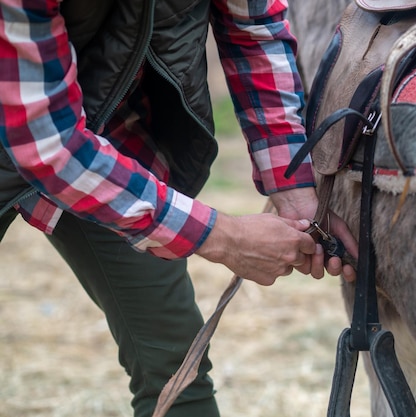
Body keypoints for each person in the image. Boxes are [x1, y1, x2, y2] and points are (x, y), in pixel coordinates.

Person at [0, 0, 357, 416]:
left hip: (108, 140)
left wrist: (296, 190)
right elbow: (47, 142)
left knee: (176, 373)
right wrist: (225, 238)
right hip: (44, 129)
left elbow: (253, 29)